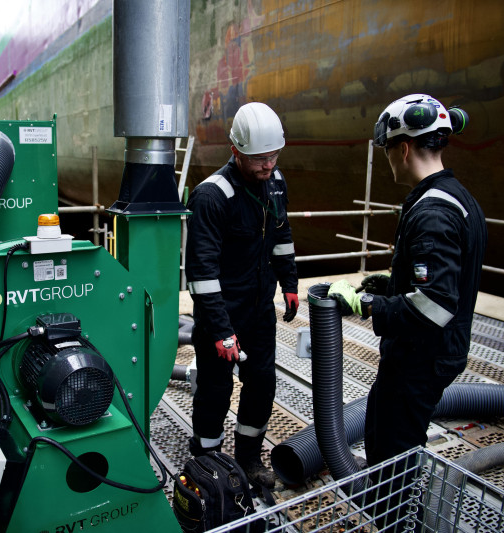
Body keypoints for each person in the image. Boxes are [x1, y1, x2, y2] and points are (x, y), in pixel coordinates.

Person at [327, 94, 487, 527]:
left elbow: (434, 306)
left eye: (387, 152)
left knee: (395, 454)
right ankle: (391, 514)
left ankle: (398, 522)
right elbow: (442, 283)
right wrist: (394, 286)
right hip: (425, 354)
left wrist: (366, 303)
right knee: (382, 432)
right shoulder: (458, 197)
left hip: (423, 358)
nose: (387, 161)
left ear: (402, 149)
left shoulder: (432, 212)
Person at [184, 102, 299, 488]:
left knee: (262, 383)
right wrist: (220, 330)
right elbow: (201, 274)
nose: (268, 165)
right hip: (223, 314)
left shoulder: (276, 183)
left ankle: (248, 458)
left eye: (273, 156)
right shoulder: (212, 197)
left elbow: (281, 237)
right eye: (259, 159)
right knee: (216, 390)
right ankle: (206, 462)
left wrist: (291, 284)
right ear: (235, 152)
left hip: (258, 312)